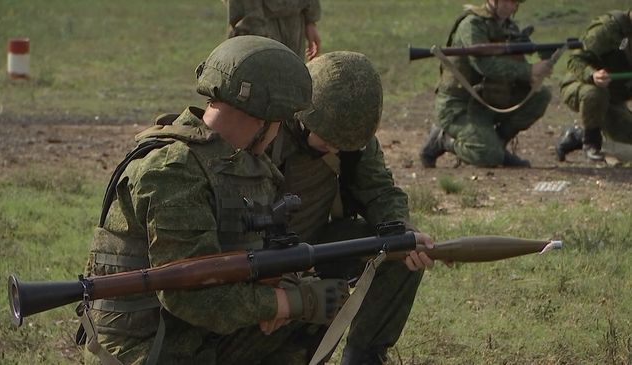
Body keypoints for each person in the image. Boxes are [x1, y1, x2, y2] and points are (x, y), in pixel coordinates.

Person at [80, 35, 353, 365]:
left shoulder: (240, 164)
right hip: (146, 346)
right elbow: (191, 297)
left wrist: (290, 287)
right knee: (303, 306)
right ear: (263, 117)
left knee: (310, 316)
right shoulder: (173, 171)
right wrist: (285, 302)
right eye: (279, 121)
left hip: (194, 335)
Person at [268, 51, 443, 365]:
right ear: (303, 115)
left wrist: (403, 231)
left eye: (345, 143)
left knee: (398, 252)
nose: (337, 148)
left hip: (315, 247)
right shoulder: (265, 131)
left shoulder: (353, 139)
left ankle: (364, 356)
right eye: (330, 140)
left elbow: (379, 191)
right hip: (254, 259)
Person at [420, 0, 553, 168]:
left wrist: (533, 76)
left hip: (488, 101)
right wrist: (528, 70)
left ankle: (498, 145)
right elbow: (485, 65)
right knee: (488, 156)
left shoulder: (509, 27)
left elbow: (514, 65)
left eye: (514, 2)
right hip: (459, 106)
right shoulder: (471, 25)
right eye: (505, 1)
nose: (509, 6)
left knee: (539, 96)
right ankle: (442, 139)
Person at [555, 8, 632, 162]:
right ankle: (591, 142)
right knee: (595, 93)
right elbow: (575, 59)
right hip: (582, 85)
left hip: (614, 98)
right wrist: (592, 75)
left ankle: (576, 136)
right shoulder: (609, 28)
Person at [222, 0, 321, 60]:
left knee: (293, 84)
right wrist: (252, 31)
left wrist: (310, 18)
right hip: (261, 23)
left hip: (294, 21)